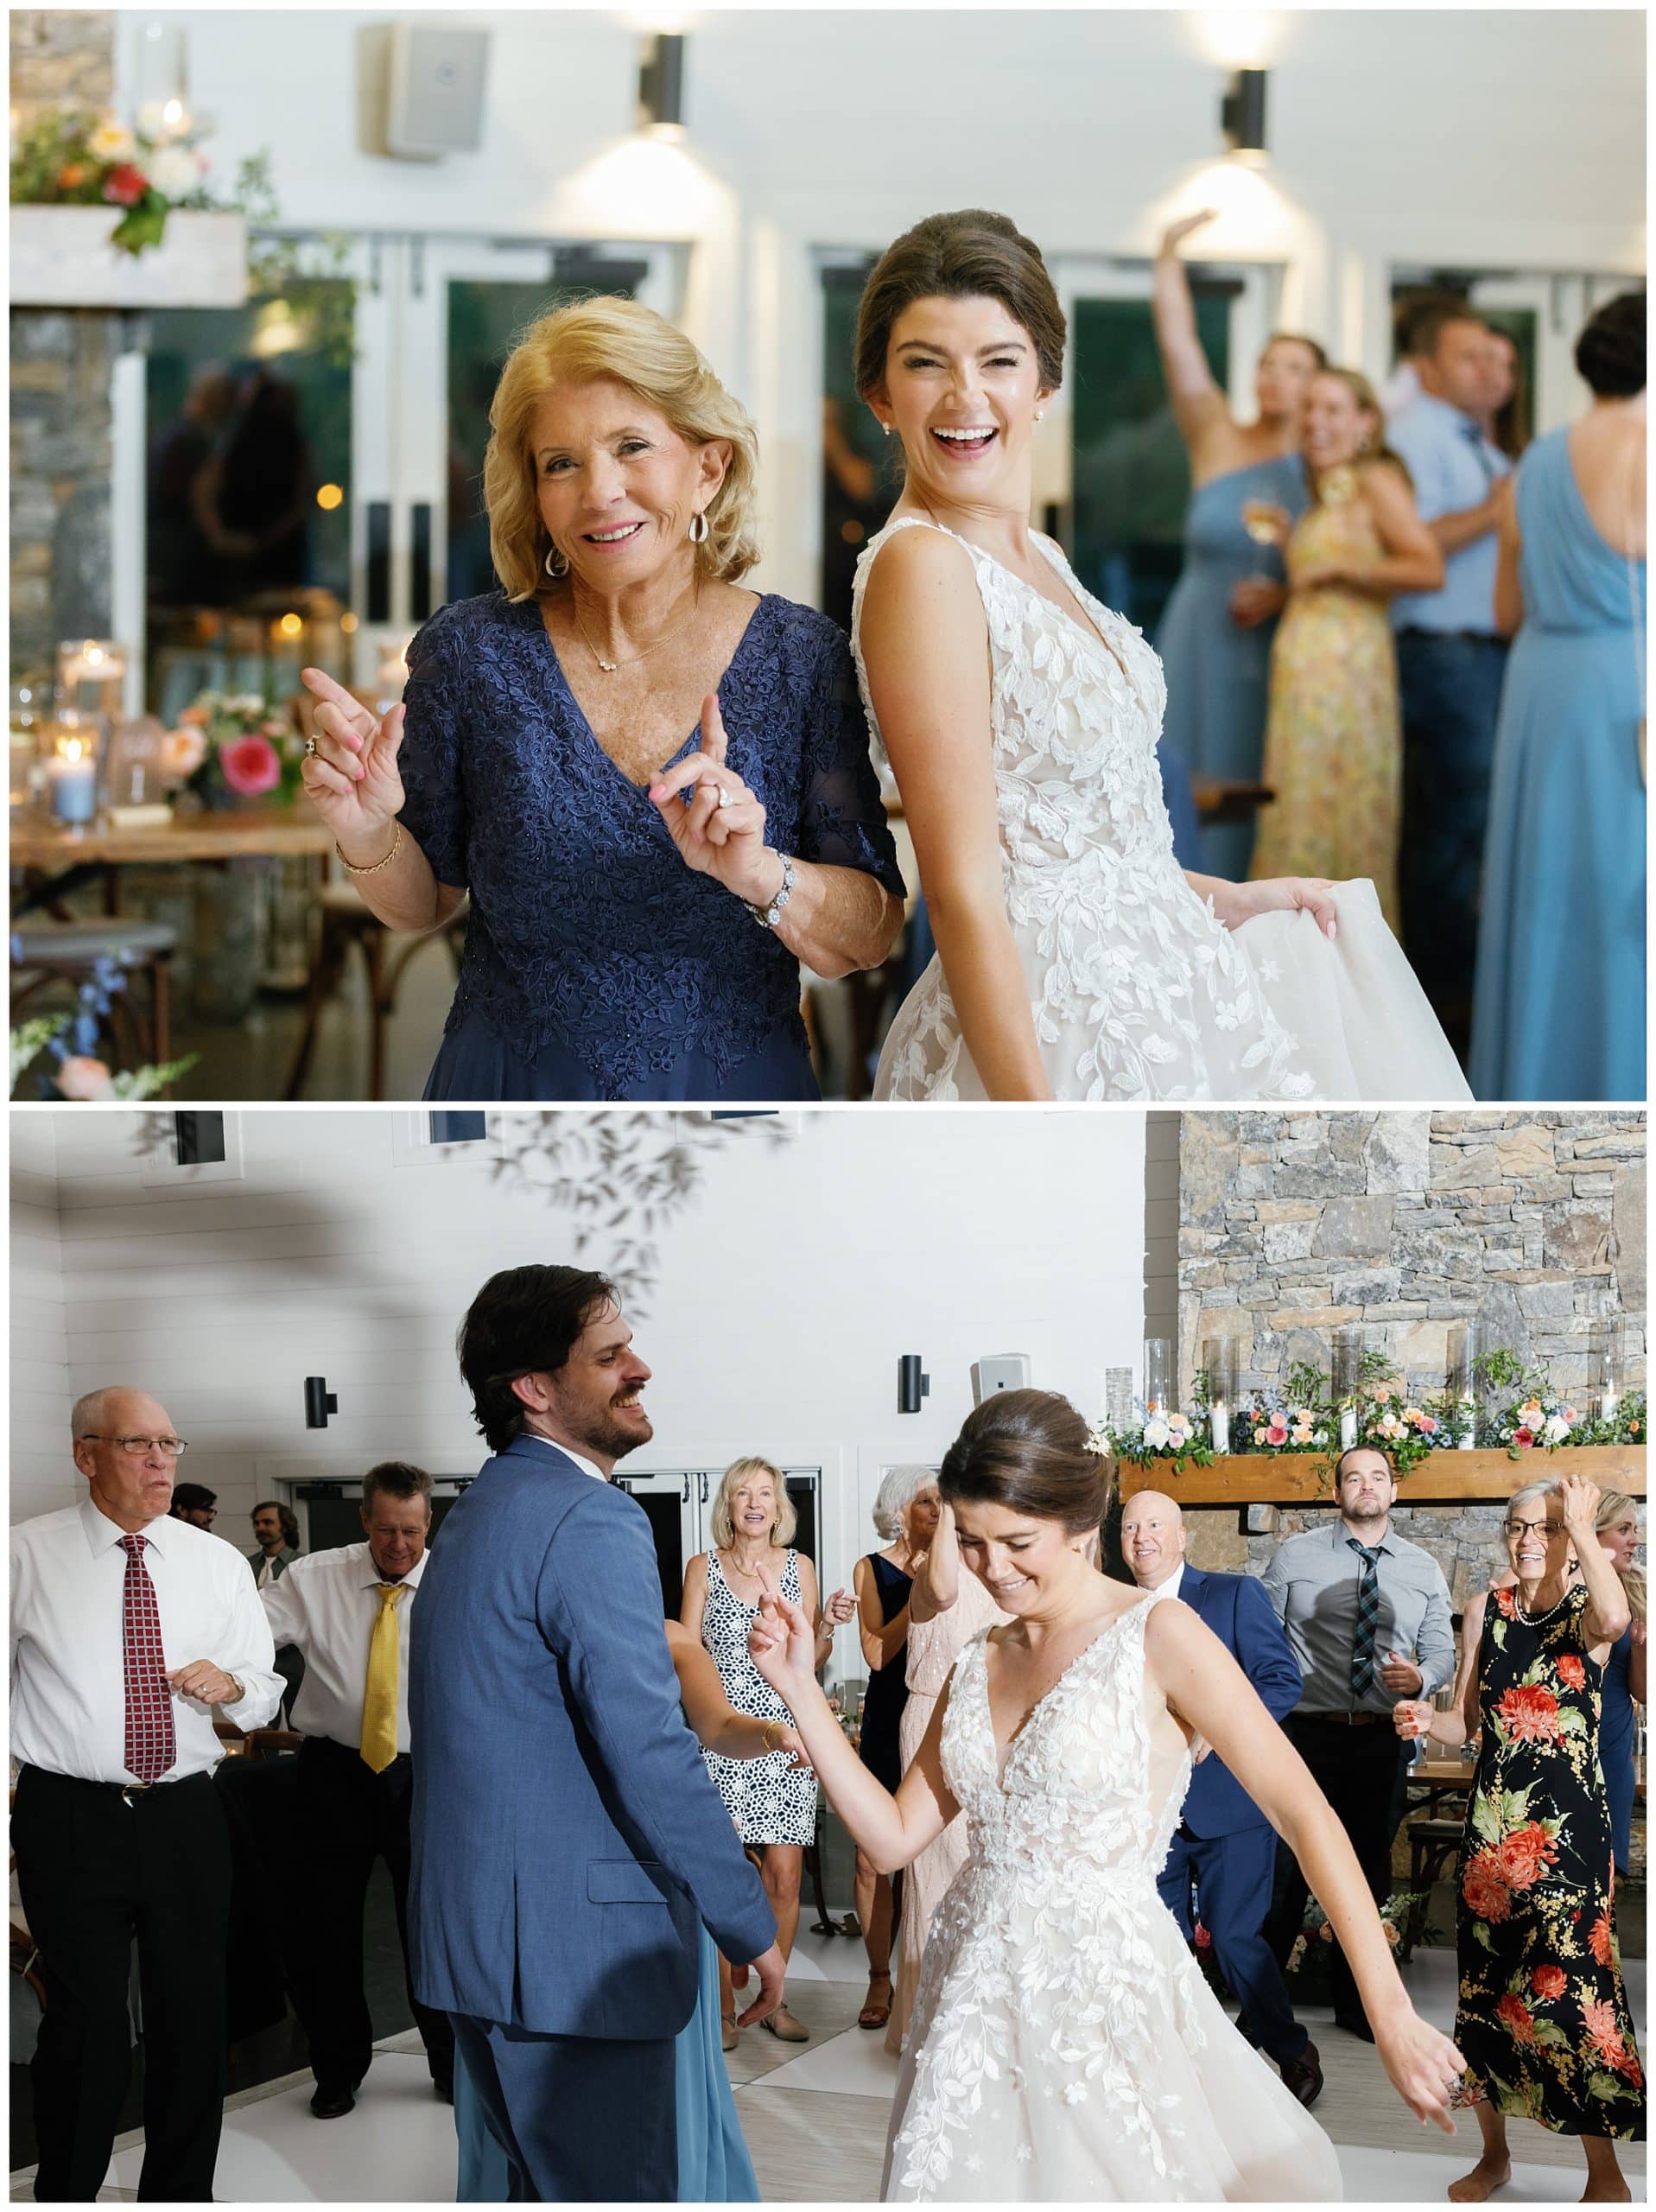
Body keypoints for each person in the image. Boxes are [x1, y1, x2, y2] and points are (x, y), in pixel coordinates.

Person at [747, 1389, 1463, 2202]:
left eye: (1017, 1543)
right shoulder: (973, 1658)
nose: (992, 1569)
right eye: (973, 1542)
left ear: (1083, 1528)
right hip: (971, 2003)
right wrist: (798, 1686)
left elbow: (1306, 1815)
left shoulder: (1157, 1634)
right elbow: (891, 1838)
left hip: (1104, 2003)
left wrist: (1393, 2011)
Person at [850, 207, 1469, 1103]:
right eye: (925, 364)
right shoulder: (924, 566)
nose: (965, 397)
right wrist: (1038, 1130)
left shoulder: (1040, 559)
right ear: (879, 395)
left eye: (998, 361)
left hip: (1166, 995)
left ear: (1044, 385)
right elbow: (965, 890)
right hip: (1052, 1034)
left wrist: (1232, 897)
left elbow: (1098, 851)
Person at [299, 296, 904, 1103]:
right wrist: (368, 829)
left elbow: (869, 937)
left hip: (730, 1113)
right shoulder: (474, 654)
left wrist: (758, 872)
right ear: (536, 494)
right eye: (561, 463)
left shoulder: (802, 659)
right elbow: (423, 905)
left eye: (631, 447)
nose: (600, 492)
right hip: (506, 1101)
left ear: (708, 469)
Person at [408, 1264, 784, 2202]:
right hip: (574, 1962)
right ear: (534, 1388)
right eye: (610, 1356)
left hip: (482, 1949)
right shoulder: (589, 1516)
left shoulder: (479, 1510)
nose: (640, 1368)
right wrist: (748, 1917)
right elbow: (649, 1745)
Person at [10, 1389, 282, 2202]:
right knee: (83, 2023)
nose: (162, 1461)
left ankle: (179, 2192)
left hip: (185, 1814)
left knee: (194, 2016)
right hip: (68, 1814)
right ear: (85, 1454)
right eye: (139, 1445)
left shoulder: (216, 1562)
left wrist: (231, 1684)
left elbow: (265, 1687)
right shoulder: (22, 1555)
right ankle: (66, 2189)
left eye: (171, 1443)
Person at [455, 1614, 809, 2202]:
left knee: (642, 2081)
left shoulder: (672, 1640)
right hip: (538, 1864)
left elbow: (718, 1726)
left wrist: (775, 1733)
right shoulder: (526, 1631)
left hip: (641, 1875)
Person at [1395, 1477, 1644, 2201]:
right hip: (1490, 1838)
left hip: (1565, 1842)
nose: (1528, 1539)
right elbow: (1464, 1722)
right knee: (1487, 1996)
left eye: (1544, 1528)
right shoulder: (1486, 1611)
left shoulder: (1589, 1615)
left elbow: (1611, 1612)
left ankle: (1605, 2172)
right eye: (1517, 1527)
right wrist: (1420, 1718)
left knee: (1577, 1994)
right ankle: (1494, 2157)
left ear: (1570, 1539)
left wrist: (1580, 1521)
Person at [1469, 291, 1646, 1104]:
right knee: (1618, 883)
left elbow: (1505, 612)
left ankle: (1538, 1076)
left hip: (1542, 688)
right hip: (1623, 684)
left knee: (1544, 892)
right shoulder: (1645, 446)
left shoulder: (1534, 459)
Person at [258, 1460, 455, 2117]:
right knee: (326, 1928)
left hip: (425, 1773)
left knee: (431, 1925)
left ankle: (451, 2065)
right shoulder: (312, 1579)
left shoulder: (458, 1580)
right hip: (334, 1769)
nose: (398, 1546)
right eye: (385, 1530)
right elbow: (245, 1638)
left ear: (428, 1522)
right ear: (364, 1519)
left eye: (411, 1530)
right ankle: (337, 2069)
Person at [1121, 1491, 1319, 2107]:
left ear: (1182, 1537)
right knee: (1161, 1939)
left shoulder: (1232, 1595)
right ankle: (1182, 2061)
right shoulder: (1114, 1609)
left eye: (1155, 1523)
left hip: (1229, 1806)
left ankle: (1290, 2048)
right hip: (1146, 1810)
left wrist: (1221, 1723)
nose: (1141, 1536)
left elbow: (1281, 1679)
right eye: (1129, 1527)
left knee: (1234, 1938)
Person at [1151, 210, 1323, 880]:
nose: (1276, 378)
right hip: (1197, 633)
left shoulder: (1322, 472)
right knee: (1179, 780)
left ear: (1318, 386)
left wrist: (1284, 591)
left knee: (1260, 785)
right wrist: (1167, 255)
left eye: (1294, 367)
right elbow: (1179, 347)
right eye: (1267, 365)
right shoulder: (1215, 432)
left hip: (1274, 647)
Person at [1260, 1446, 1455, 2039]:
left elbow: (1441, 1650)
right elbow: (1261, 1639)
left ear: (1393, 1491)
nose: (1365, 1487)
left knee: (1366, 1874)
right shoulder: (1293, 1556)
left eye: (1376, 1478)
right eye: (1353, 1478)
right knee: (1284, 1871)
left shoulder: (1421, 1568)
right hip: (1301, 1738)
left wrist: (1421, 1679)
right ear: (1336, 1492)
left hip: (1376, 1742)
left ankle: (1358, 2005)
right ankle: (1265, 2004)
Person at [1249, 370, 1443, 927]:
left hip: (1348, 676)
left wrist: (1340, 566)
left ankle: (1343, 958)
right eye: (1309, 408)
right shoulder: (1318, 495)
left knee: (1340, 807)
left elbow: (1426, 565)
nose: (1316, 421)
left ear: (1366, 423)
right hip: (1303, 675)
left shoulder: (1375, 478)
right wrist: (1285, 587)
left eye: (1333, 409)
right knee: (1299, 809)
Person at [681, 1456, 855, 2048]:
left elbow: (809, 1659)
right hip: (721, 1735)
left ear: (779, 1508)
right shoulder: (701, 1568)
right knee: (721, 1874)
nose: (754, 1503)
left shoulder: (798, 1566)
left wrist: (827, 1626)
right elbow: (684, 1655)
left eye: (765, 1494)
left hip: (786, 1737)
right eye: (741, 1494)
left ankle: (773, 1999)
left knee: (783, 1880)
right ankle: (723, 2007)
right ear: (726, 1506)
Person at [1387, 308, 1513, 1061]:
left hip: (1486, 653)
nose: (1485, 371)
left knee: (1471, 822)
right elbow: (1420, 539)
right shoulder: (1416, 435)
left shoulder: (1476, 442)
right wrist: (1495, 508)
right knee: (1449, 825)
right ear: (1427, 366)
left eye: (1491, 359)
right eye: (1467, 357)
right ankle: (1442, 999)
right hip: (1439, 652)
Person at [885, 1486, 1008, 2056]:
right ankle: (927, 2024)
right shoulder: (930, 1570)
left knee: (983, 1869)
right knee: (935, 1872)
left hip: (991, 1720)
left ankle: (979, 2023)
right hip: (932, 1715)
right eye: (935, 1501)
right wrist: (955, 1511)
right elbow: (941, 1590)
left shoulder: (1003, 1563)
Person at [851, 1465, 935, 2031]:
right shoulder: (871, 1570)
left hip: (937, 1718)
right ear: (901, 1510)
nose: (937, 1512)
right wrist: (921, 1591)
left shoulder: (966, 1562)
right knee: (871, 1857)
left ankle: (923, 1978)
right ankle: (878, 1978)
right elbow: (877, 1655)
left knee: (929, 1856)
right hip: (887, 1718)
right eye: (927, 1503)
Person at [1593, 1489, 1646, 1885]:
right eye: (1624, 1529)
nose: (1636, 1539)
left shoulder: (1640, 1591)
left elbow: (1644, 1692)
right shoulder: (1557, 1585)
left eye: (1635, 1529)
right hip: (1561, 1749)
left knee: (1604, 1880)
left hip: (1611, 1754)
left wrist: (1643, 1648)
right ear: (1592, 1536)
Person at [247, 1498, 301, 1586]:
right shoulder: (248, 1564)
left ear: (285, 1527)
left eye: (268, 1522)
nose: (260, 1528)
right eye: (256, 1523)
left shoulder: (300, 1563)